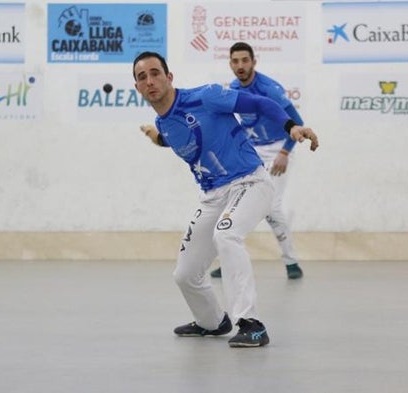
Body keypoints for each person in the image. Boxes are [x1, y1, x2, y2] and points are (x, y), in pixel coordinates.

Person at [132, 51, 318, 347]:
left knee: (227, 234)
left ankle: (252, 323)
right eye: (142, 78)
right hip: (212, 196)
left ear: (169, 77)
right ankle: (212, 322)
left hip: (250, 182)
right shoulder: (163, 122)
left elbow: (259, 103)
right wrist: (153, 134)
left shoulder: (206, 96)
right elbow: (170, 138)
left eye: (155, 73)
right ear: (138, 88)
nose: (150, 81)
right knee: (185, 274)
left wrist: (290, 127)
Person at [211, 41, 305, 280]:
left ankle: (291, 261)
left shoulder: (269, 88)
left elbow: (297, 122)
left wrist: (284, 152)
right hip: (252, 151)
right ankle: (229, 257)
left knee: (272, 209)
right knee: (233, 203)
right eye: (235, 61)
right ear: (230, 64)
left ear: (254, 61)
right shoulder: (233, 88)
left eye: (245, 60)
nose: (240, 65)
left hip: (279, 150)